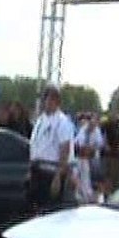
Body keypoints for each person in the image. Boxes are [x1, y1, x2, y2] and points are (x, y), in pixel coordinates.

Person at [27, 83, 76, 214]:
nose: (45, 102)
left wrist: (58, 177)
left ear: (56, 101)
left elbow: (64, 150)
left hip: (52, 171)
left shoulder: (62, 122)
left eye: (48, 99)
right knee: (37, 207)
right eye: (44, 98)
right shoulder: (41, 120)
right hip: (38, 169)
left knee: (51, 210)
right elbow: (35, 145)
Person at [75, 113, 104, 203]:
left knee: (88, 177)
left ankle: (89, 195)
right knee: (78, 175)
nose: (93, 125)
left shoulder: (97, 131)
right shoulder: (83, 129)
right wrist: (84, 147)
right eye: (91, 123)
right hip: (80, 156)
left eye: (94, 124)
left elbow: (100, 144)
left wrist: (91, 148)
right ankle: (81, 194)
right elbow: (78, 142)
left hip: (92, 157)